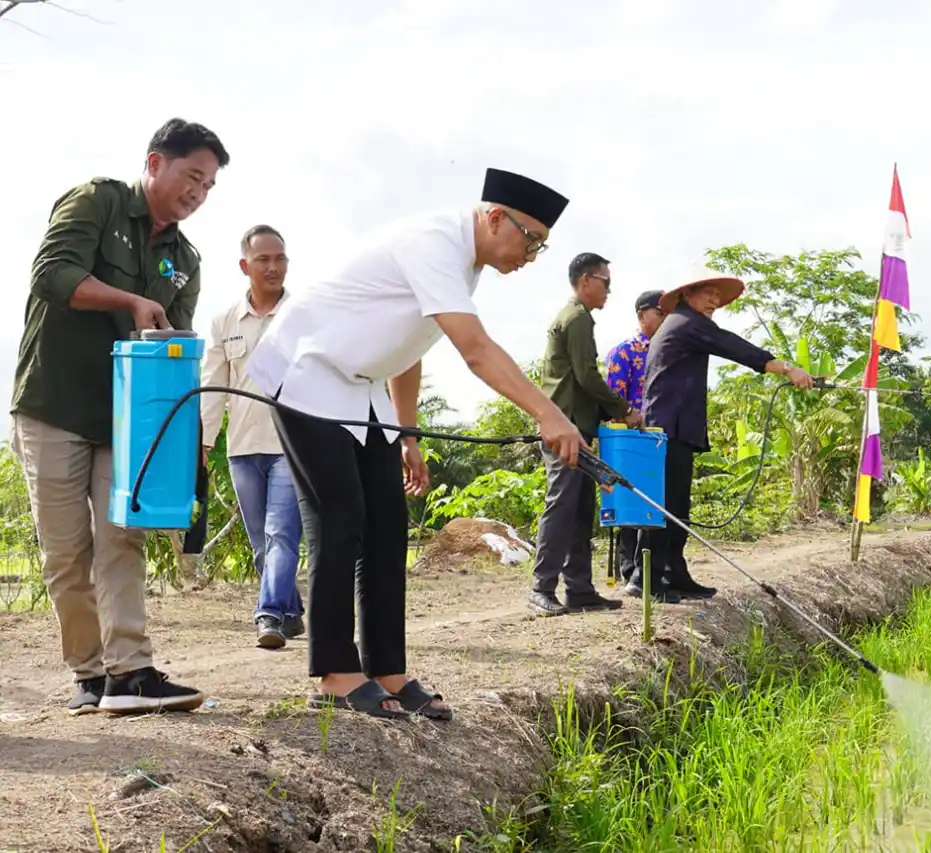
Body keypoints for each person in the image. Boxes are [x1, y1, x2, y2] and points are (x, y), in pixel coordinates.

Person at [245, 167, 583, 721]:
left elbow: (410, 343)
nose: (532, 255)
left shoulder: (464, 263)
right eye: (531, 240)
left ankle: (387, 669)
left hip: (362, 388)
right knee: (341, 516)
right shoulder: (434, 242)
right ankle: (333, 671)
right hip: (308, 372)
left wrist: (407, 434)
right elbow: (474, 349)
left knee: (386, 523)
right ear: (495, 218)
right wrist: (549, 415)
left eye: (542, 247)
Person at [9, 118, 230, 715]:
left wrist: (185, 430)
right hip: (54, 403)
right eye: (192, 176)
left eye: (209, 185)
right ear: (156, 163)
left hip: (126, 419)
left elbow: (175, 342)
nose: (198, 193)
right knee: (65, 551)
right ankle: (88, 674)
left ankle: (130, 671)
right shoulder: (97, 201)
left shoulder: (186, 258)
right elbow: (51, 275)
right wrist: (129, 300)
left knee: (121, 539)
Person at [635, 267, 813, 602]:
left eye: (718, 297)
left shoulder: (684, 324)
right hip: (666, 427)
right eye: (709, 294)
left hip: (675, 425)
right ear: (688, 294)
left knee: (678, 505)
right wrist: (788, 368)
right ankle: (646, 579)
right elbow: (737, 348)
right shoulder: (687, 323)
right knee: (665, 506)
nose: (714, 302)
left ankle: (674, 572)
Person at [200, 224, 305, 650]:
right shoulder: (225, 321)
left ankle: (269, 616)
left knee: (281, 534)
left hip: (292, 447)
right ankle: (291, 611)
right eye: (263, 259)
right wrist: (203, 445)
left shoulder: (304, 316)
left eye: (280, 258)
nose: (273, 267)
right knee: (262, 542)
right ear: (245, 265)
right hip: (243, 447)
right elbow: (211, 384)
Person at [529, 253, 641, 617]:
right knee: (562, 505)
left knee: (579, 509)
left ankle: (579, 589)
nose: (609, 290)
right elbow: (587, 376)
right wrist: (623, 408)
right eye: (606, 282)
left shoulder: (576, 317)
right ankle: (542, 587)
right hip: (566, 427)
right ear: (586, 280)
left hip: (576, 426)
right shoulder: (577, 318)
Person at [604, 289, 666, 585]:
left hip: (659, 438)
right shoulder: (625, 352)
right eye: (659, 313)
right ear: (642, 315)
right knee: (630, 501)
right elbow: (613, 399)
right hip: (630, 439)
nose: (665, 319)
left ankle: (649, 569)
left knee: (655, 503)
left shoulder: (669, 351)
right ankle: (630, 569)